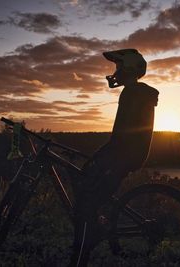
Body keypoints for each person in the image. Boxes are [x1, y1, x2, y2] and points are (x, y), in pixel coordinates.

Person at [69, 48, 159, 267]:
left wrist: (99, 157)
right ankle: (94, 229)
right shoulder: (139, 93)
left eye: (118, 66)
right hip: (130, 154)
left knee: (86, 202)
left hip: (123, 155)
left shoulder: (130, 94)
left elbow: (120, 135)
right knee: (90, 190)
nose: (115, 71)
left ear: (127, 67)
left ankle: (82, 253)